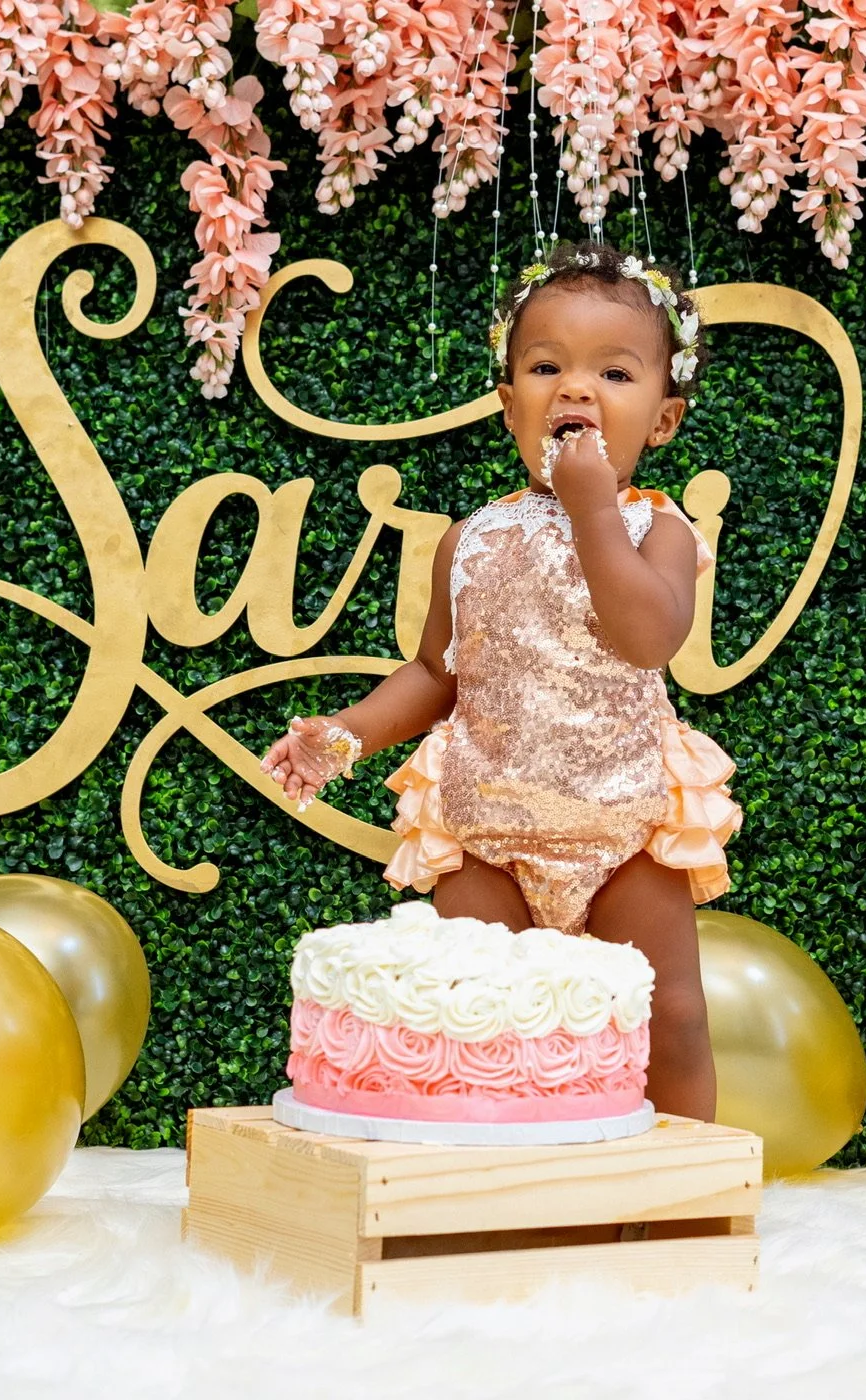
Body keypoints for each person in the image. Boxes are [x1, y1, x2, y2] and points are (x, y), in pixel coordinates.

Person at [260, 241, 742, 1119]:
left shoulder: (657, 529)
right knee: (475, 1021)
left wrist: (594, 505)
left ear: (663, 421)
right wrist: (349, 733)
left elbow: (646, 637)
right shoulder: (469, 538)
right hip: (488, 825)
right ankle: (494, 1179)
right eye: (547, 366)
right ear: (507, 402)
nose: (577, 389)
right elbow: (435, 674)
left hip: (625, 822)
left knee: (667, 1013)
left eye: (616, 373)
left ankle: (679, 1195)